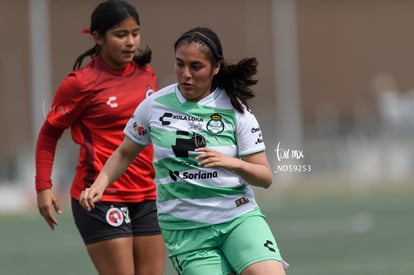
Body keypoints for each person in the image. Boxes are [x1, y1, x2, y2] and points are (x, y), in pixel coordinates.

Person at [80, 26, 287, 275]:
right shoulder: (153, 107)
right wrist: (99, 185)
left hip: (238, 218)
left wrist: (231, 163)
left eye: (196, 66)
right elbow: (125, 153)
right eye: (180, 64)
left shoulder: (236, 111)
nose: (185, 74)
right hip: (185, 230)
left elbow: (265, 178)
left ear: (216, 67)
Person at [35, 1, 166, 274]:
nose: (131, 42)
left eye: (135, 33)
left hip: (147, 195)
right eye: (121, 35)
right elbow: (49, 134)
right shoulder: (79, 84)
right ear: (97, 37)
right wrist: (43, 187)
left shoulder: (148, 75)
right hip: (98, 197)